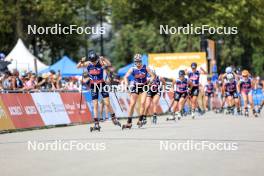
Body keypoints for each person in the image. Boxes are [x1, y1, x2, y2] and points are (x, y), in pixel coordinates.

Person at [77, 50, 121, 131]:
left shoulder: (100, 62)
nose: (93, 63)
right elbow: (78, 66)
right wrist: (81, 61)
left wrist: (104, 59)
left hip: (102, 84)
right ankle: (96, 123)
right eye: (92, 61)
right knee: (95, 104)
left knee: (107, 103)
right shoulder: (88, 63)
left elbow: (109, 64)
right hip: (93, 86)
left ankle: (114, 118)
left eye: (94, 61)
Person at [122, 54, 155, 129]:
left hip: (144, 86)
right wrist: (126, 84)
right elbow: (125, 76)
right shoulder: (132, 68)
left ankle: (140, 120)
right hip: (136, 86)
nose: (138, 63)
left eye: (139, 61)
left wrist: (150, 83)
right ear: (135, 61)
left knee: (143, 103)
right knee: (132, 104)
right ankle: (129, 122)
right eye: (137, 61)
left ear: (141, 61)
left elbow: (153, 76)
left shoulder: (145, 67)